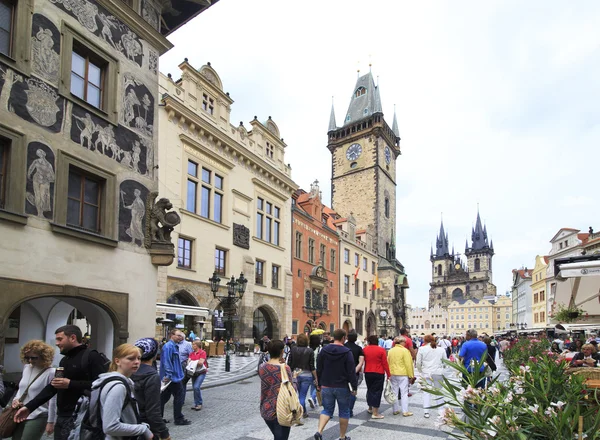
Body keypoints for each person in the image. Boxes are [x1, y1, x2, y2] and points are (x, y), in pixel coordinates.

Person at [15, 325, 106, 440]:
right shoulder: (64, 360)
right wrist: (29, 407)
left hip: (83, 415)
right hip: (63, 415)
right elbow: (53, 386)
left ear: (72, 338)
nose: (57, 343)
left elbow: (102, 384)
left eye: (60, 339)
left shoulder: (92, 356)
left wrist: (70, 384)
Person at [91, 344, 153, 439]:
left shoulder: (123, 381)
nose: (136, 362)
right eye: (131, 359)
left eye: (139, 358)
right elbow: (110, 427)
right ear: (117, 361)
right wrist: (143, 429)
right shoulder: (118, 387)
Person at [314, 329, 357, 440]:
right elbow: (351, 371)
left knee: (327, 410)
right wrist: (354, 386)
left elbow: (319, 368)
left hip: (326, 385)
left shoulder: (324, 350)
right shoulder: (347, 352)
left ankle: (319, 431)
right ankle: (342, 437)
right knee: (344, 411)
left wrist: (319, 383)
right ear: (343, 338)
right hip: (342, 386)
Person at [11, 340, 56, 440]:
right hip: (20, 412)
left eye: (34, 358)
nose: (30, 360)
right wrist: (16, 399)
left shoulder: (51, 372)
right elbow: (22, 388)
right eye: (27, 357)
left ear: (44, 356)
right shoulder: (27, 368)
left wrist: (51, 421)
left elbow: (52, 399)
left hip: (38, 415)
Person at [132, 338, 171, 440]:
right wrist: (164, 433)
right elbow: (153, 411)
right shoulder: (151, 376)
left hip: (129, 423)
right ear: (154, 355)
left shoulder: (129, 370)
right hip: (144, 428)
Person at [259, 340, 293, 440]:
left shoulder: (262, 367)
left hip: (266, 409)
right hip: (281, 410)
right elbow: (291, 389)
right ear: (282, 351)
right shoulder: (285, 368)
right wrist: (294, 378)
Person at [159, 329, 191, 425]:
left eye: (181, 335)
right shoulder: (169, 346)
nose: (180, 337)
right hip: (173, 377)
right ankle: (178, 418)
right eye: (178, 335)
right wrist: (168, 375)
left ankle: (159, 418)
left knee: (163, 398)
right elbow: (167, 362)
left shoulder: (173, 346)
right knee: (179, 396)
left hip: (174, 376)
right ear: (172, 335)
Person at [416, 334, 447, 419]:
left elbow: (418, 362)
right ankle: (440, 411)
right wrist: (442, 368)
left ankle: (426, 412)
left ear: (425, 341)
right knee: (439, 392)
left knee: (426, 393)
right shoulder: (441, 349)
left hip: (426, 372)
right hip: (438, 372)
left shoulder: (422, 349)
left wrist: (420, 371)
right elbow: (445, 361)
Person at [287, 333, 316, 418]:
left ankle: (304, 412)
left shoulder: (293, 349)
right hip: (307, 375)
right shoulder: (310, 351)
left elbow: (289, 364)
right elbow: (312, 366)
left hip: (295, 374)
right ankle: (301, 413)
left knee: (299, 394)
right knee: (302, 396)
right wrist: (316, 377)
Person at [362, 334, 390, 419]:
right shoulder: (381, 350)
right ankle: (375, 413)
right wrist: (388, 374)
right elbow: (385, 363)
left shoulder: (364, 349)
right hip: (378, 372)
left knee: (370, 389)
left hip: (368, 372)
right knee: (377, 391)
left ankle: (370, 407)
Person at [387, 336, 415, 417]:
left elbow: (388, 362)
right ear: (402, 342)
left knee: (394, 392)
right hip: (402, 373)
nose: (405, 344)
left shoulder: (391, 351)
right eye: (405, 342)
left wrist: (388, 374)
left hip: (393, 373)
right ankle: (405, 411)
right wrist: (411, 375)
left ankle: (395, 410)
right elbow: (408, 364)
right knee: (404, 393)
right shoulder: (405, 350)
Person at [344, 330, 364, 418]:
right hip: (354, 373)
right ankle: (350, 410)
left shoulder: (343, 347)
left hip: (343, 373)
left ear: (347, 338)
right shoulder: (359, 349)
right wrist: (354, 371)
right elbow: (361, 362)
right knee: (353, 391)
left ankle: (345, 409)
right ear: (356, 339)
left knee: (344, 392)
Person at [189, 340, 208, 411]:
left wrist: (192, 362)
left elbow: (201, 363)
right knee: (194, 387)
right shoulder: (191, 353)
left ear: (197, 345)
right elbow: (188, 361)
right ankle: (196, 403)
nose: (192, 346)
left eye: (193, 344)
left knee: (196, 387)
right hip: (194, 372)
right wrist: (196, 362)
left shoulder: (202, 352)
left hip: (201, 372)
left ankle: (199, 403)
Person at [307, 334, 322, 408]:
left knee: (313, 384)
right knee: (317, 384)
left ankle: (314, 401)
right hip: (317, 368)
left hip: (309, 368)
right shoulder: (319, 348)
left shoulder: (308, 348)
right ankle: (312, 398)